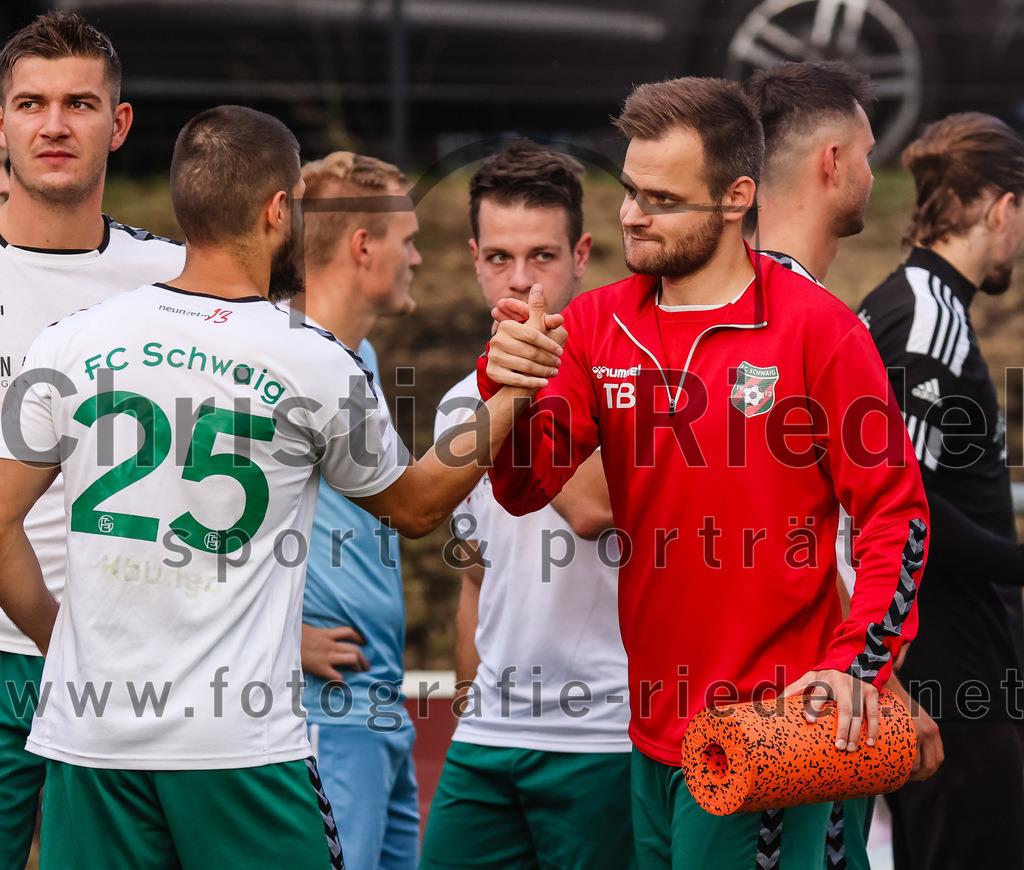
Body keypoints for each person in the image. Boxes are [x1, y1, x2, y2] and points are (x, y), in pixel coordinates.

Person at [0, 104, 547, 869]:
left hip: (91, 738)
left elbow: (1, 523)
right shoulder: (314, 361)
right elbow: (418, 505)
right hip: (235, 747)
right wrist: (515, 394)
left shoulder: (72, 340)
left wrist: (62, 644)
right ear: (277, 209)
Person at [480, 77, 930, 869]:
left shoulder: (817, 328)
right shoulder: (596, 321)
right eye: (627, 190)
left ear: (736, 199)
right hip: (652, 733)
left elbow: (899, 515)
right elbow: (525, 488)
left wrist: (855, 667)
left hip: (774, 731)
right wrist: (506, 389)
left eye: (661, 198)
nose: (630, 215)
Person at [743, 60, 944, 870]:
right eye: (865, 153)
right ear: (831, 165)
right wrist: (867, 675)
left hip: (697, 707)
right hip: (795, 713)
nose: (873, 170)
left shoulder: (693, 313)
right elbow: (865, 522)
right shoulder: (816, 327)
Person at [0, 12, 185, 866]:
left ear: (118, 124)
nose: (53, 125)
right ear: (1, 121)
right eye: (30, 103)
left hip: (139, 662)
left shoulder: (178, 280)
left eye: (79, 103)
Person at [422, 141, 634, 870]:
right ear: (475, 257)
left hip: (604, 735)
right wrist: (467, 711)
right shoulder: (461, 400)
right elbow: (475, 580)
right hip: (489, 739)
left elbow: (590, 510)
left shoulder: (628, 383)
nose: (521, 279)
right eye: (501, 258)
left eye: (542, 256)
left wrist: (534, 374)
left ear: (582, 255)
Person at [857, 112, 1024, 870]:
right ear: (1003, 207)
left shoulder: (913, 304)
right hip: (942, 666)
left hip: (951, 657)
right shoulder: (925, 316)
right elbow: (898, 500)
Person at [290, 150, 422, 870]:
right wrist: (284, 640)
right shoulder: (277, 364)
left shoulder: (358, 357)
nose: (419, 257)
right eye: (407, 239)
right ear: (362, 245)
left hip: (376, 700)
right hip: (327, 704)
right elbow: (195, 522)